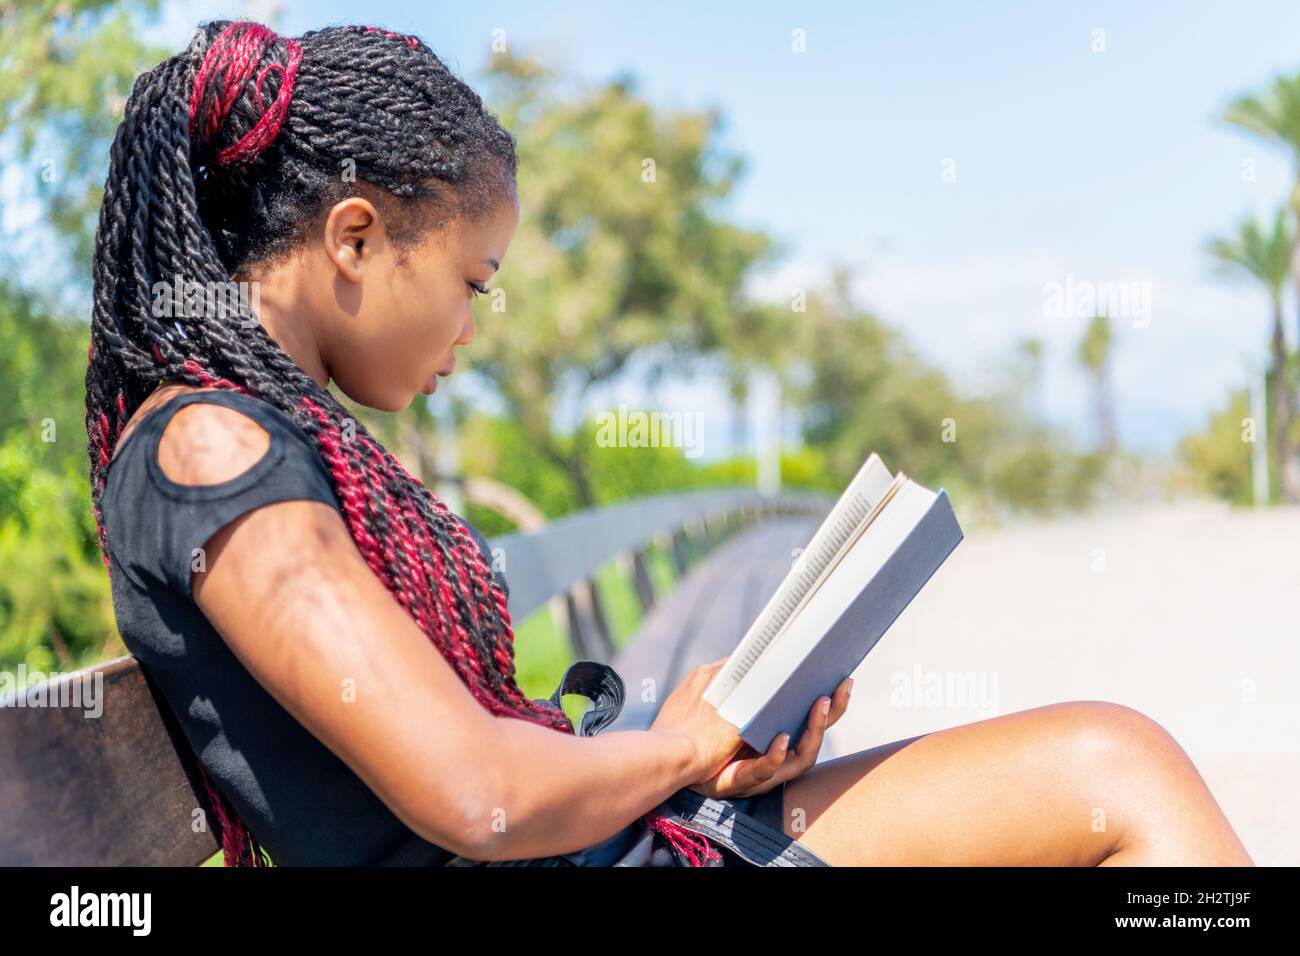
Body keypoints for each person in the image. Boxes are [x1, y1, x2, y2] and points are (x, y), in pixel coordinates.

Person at [87, 20, 1253, 868]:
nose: (470, 329)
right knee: (1116, 769)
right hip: (579, 853)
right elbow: (481, 795)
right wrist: (677, 747)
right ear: (353, 236)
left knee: (1114, 759)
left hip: (609, 840)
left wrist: (693, 746)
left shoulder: (257, 431)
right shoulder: (210, 453)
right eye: (468, 281)